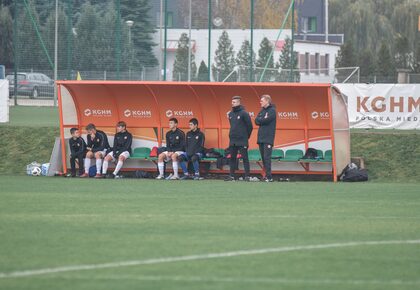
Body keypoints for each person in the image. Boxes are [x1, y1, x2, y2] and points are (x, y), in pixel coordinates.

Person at [225, 96, 253, 181]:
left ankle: (247, 176)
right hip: (233, 140)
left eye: (234, 102)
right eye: (232, 102)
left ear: (238, 103)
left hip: (242, 140)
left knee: (245, 158)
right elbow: (233, 126)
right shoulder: (230, 114)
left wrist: (245, 136)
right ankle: (231, 176)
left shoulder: (244, 113)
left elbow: (250, 126)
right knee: (232, 158)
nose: (232, 103)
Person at [255, 94, 277, 182]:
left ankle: (269, 177)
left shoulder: (272, 111)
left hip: (268, 138)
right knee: (263, 158)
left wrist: (261, 120)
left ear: (267, 101)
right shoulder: (261, 111)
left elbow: (266, 120)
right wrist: (261, 119)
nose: (260, 102)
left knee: (267, 158)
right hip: (260, 138)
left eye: (262, 101)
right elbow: (256, 121)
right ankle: (266, 176)